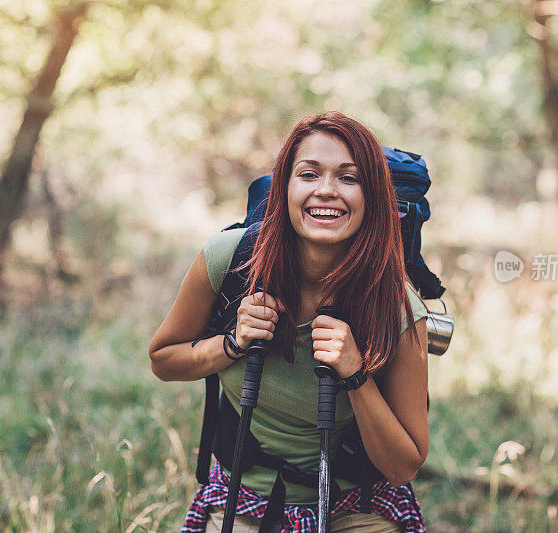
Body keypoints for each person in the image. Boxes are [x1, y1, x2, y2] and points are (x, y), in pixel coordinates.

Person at [149, 112, 430, 532]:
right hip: (242, 497)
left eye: (348, 179)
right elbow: (163, 359)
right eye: (308, 174)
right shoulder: (231, 260)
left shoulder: (396, 304)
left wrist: (354, 373)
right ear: (285, 188)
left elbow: (403, 467)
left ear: (372, 197)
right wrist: (231, 343)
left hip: (356, 502)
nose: (326, 191)